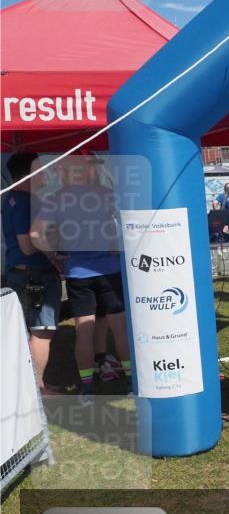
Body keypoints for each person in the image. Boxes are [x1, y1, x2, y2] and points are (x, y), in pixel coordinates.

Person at [31, 153, 130, 405]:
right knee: (120, 328)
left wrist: (52, 255)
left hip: (77, 274)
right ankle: (132, 383)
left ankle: (86, 389)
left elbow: (35, 234)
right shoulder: (106, 194)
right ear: (86, 170)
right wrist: (117, 244)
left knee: (83, 331)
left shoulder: (54, 199)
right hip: (110, 271)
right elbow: (129, 224)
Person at [2, 154, 64, 394]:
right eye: (40, 168)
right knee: (41, 331)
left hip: (22, 272)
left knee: (27, 331)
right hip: (34, 275)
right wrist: (53, 254)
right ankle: (36, 390)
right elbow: (28, 245)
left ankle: (28, 388)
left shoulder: (12, 199)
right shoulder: (25, 201)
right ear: (28, 173)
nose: (45, 173)